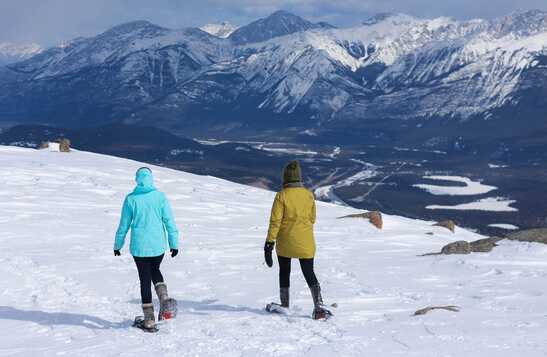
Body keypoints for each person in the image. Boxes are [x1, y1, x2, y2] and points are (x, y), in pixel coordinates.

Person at [114, 167, 180, 330]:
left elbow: (124, 225)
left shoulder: (131, 199)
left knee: (145, 279)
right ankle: (164, 300)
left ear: (137, 179)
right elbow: (169, 222)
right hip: (158, 246)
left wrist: (118, 245)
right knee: (155, 270)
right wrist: (174, 243)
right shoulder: (160, 197)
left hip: (139, 247)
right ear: (151, 178)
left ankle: (149, 318)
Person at [264, 160, 331, 320]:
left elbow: (275, 222)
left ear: (285, 178)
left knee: (284, 271)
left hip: (285, 243)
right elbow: (313, 218)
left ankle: (285, 304)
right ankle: (319, 306)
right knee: (309, 273)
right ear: (299, 178)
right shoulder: (308, 195)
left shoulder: (281, 196)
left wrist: (269, 243)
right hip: (306, 243)